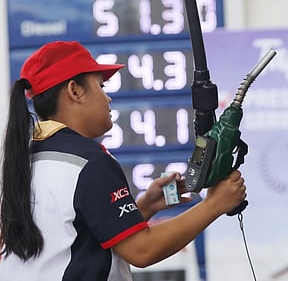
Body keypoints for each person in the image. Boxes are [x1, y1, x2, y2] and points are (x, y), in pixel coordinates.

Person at [0, 41, 247, 280]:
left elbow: (78, 237)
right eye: (101, 86)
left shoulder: (26, 159)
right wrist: (215, 204)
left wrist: (146, 207)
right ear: (75, 90)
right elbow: (142, 250)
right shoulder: (89, 162)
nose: (108, 99)